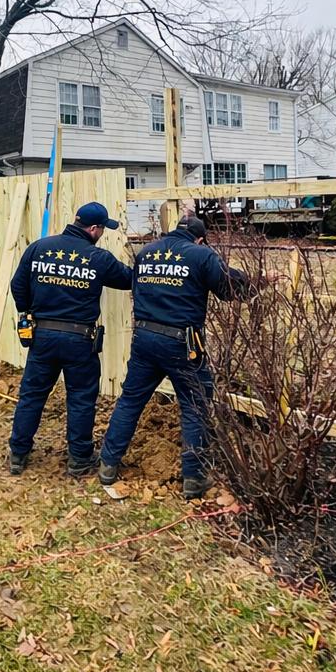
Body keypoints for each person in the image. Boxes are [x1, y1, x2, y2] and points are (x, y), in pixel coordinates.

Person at [98, 214, 258, 499]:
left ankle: (108, 464)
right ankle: (194, 478)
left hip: (144, 337)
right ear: (198, 238)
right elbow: (232, 288)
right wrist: (260, 282)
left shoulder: (146, 253)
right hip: (183, 342)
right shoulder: (201, 255)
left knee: (131, 401)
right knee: (195, 405)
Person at [8, 201, 133, 476]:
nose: (102, 234)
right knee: (80, 398)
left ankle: (18, 454)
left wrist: (27, 311)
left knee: (32, 395)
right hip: (79, 340)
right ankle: (79, 459)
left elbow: (17, 284)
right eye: (102, 229)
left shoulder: (40, 248)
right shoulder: (98, 258)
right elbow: (128, 279)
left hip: (43, 335)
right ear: (93, 228)